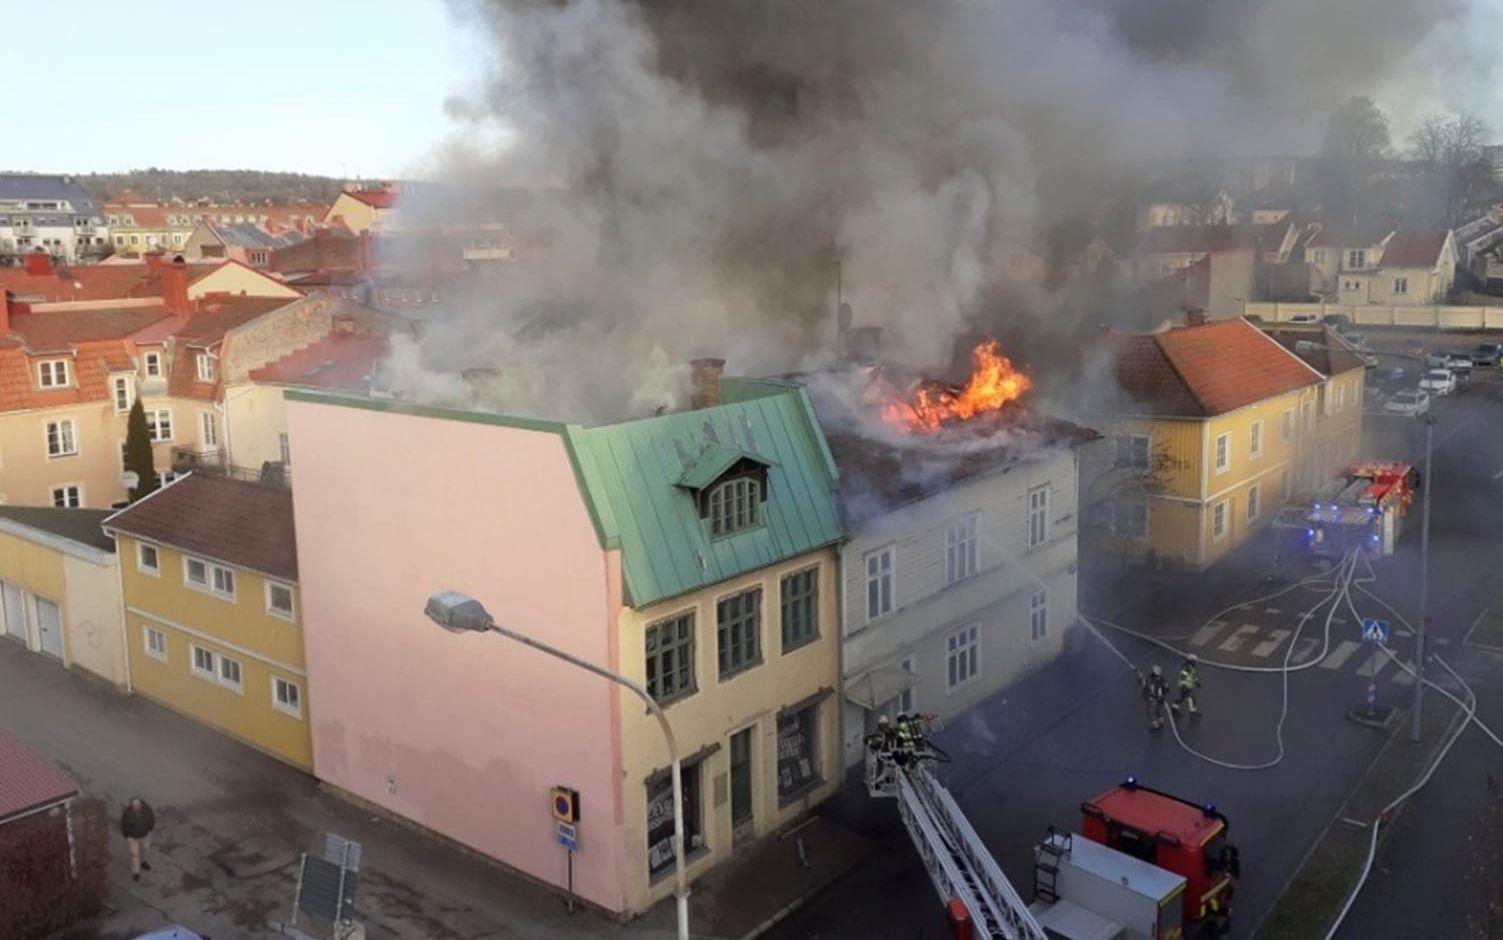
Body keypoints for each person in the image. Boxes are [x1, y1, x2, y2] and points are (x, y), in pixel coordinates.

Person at [120, 796, 156, 881]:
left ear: (140, 804)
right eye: (134, 806)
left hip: (145, 835)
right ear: (132, 806)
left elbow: (151, 818)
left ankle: (144, 862)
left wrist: (150, 829)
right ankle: (136, 872)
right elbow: (123, 825)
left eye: (138, 806)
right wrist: (127, 836)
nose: (136, 807)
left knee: (145, 849)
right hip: (133, 838)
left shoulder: (146, 809)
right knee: (134, 855)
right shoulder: (127, 814)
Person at [1140, 665, 1169, 730]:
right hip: (1159, 697)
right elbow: (1167, 688)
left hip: (1152, 697)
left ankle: (1154, 722)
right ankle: (1160, 718)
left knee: (1150, 710)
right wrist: (1162, 695)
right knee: (1158, 708)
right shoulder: (1162, 678)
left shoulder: (1149, 680)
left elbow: (1149, 690)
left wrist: (1140, 678)